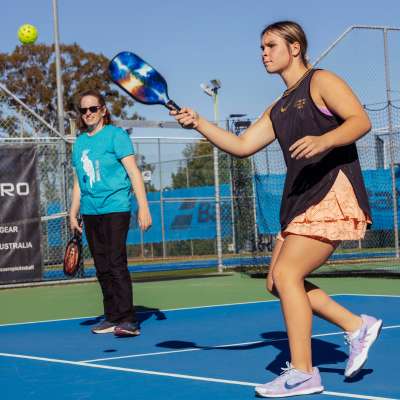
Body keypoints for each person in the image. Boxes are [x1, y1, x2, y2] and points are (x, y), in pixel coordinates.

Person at [171, 21, 382, 398]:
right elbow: (242, 145)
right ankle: (355, 325)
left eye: (270, 45)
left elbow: (360, 121)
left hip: (332, 191)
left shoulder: (321, 81)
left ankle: (303, 373)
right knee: (278, 282)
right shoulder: (279, 105)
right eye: (262, 47)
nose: (263, 53)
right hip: (299, 199)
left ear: (295, 47)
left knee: (287, 274)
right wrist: (200, 122)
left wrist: (324, 140)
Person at [69, 89, 152, 337]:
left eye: (93, 108)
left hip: (116, 207)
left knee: (116, 262)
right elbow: (78, 181)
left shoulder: (116, 136)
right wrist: (73, 212)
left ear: (103, 110)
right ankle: (112, 316)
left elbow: (134, 172)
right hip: (90, 211)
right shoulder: (80, 142)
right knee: (102, 266)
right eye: (84, 110)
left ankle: (128, 320)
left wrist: (143, 206)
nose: (88, 114)